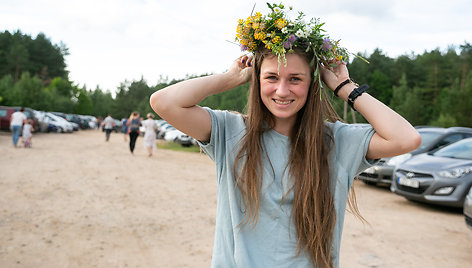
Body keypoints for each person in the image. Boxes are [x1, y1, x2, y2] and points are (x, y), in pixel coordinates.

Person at [150, 4, 421, 268]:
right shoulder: (230, 131)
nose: (282, 91)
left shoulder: (336, 141)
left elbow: (406, 139)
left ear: (311, 83)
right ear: (256, 80)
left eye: (295, 79)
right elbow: (164, 102)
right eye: (271, 77)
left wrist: (344, 87)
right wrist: (229, 78)